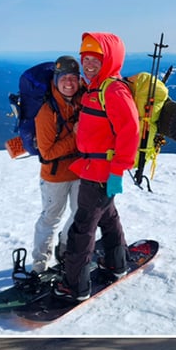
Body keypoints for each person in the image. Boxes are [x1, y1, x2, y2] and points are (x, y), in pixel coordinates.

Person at [55, 32, 139, 301]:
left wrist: (117, 171)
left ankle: (75, 286)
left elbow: (130, 131)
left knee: (82, 228)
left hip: (101, 172)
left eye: (96, 59)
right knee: (107, 216)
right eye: (85, 59)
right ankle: (117, 263)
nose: (89, 64)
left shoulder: (113, 90)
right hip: (93, 168)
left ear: (109, 60)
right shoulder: (95, 88)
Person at [31, 55, 84, 273]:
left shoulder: (83, 100)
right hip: (55, 176)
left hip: (80, 171)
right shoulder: (47, 112)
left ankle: (65, 248)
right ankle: (40, 265)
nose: (69, 82)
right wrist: (75, 136)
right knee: (51, 218)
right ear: (55, 80)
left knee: (80, 213)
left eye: (73, 77)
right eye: (64, 78)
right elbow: (47, 152)